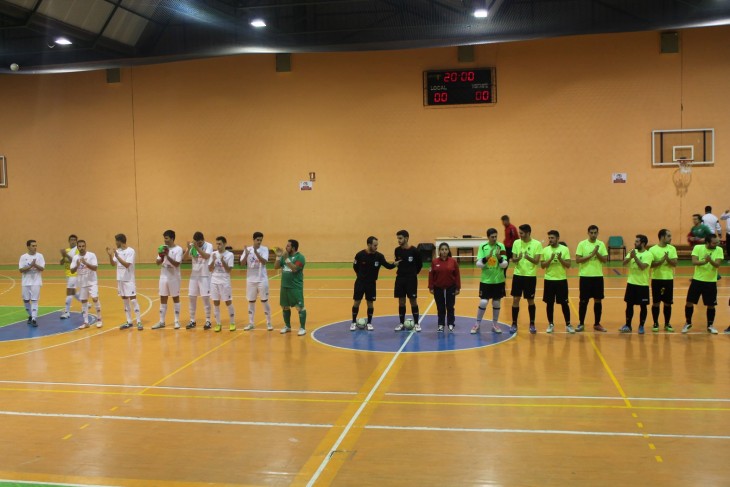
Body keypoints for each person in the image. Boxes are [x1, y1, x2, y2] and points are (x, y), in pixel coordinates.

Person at [350, 236, 397, 331]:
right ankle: (353, 322)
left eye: (377, 245)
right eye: (375, 245)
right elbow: (355, 267)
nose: (376, 247)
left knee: (370, 303)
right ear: (369, 244)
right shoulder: (360, 255)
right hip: (360, 282)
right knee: (357, 302)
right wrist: (361, 276)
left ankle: (369, 323)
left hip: (371, 283)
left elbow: (387, 266)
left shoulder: (379, 256)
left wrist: (395, 264)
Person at [682, 234, 724, 334]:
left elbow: (717, 265)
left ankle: (710, 325)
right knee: (689, 302)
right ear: (707, 242)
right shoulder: (698, 248)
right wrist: (705, 261)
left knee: (711, 305)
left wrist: (710, 260)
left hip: (711, 282)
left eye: (717, 242)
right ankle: (688, 323)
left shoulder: (719, 250)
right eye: (714, 243)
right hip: (697, 280)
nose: (716, 244)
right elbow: (694, 262)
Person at [471, 228, 508, 334]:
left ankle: (495, 324)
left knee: (496, 302)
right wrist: (486, 258)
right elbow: (478, 264)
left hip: (498, 280)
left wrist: (499, 257)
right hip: (486, 280)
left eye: (496, 236)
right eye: (492, 237)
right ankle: (477, 324)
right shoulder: (483, 247)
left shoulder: (501, 246)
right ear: (488, 237)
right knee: (483, 302)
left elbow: (504, 264)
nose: (494, 238)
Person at [574, 225, 608, 332]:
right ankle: (581, 323)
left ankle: (597, 324)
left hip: (597, 277)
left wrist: (597, 252)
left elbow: (605, 260)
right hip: (585, 277)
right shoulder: (582, 244)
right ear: (588, 233)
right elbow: (578, 260)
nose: (593, 235)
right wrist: (591, 255)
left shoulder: (601, 244)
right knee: (583, 301)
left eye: (595, 233)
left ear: (597, 233)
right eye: (591, 233)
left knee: (598, 300)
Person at [510, 224, 542, 334]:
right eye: (520, 233)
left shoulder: (537, 244)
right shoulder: (516, 243)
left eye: (522, 233)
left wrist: (528, 257)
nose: (520, 235)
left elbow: (536, 261)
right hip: (518, 275)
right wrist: (517, 258)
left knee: (530, 300)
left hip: (530, 276)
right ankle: (514, 323)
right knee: (515, 299)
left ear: (528, 233)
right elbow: (513, 259)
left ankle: (532, 323)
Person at [106, 233, 143, 330]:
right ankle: (129, 321)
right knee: (125, 301)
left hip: (129, 280)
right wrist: (110, 256)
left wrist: (117, 257)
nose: (115, 243)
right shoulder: (118, 251)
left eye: (116, 241)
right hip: (120, 279)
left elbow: (127, 265)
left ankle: (139, 322)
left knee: (133, 300)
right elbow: (113, 264)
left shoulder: (130, 251)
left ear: (120, 241)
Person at [619, 235, 654, 334]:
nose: (635, 243)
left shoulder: (648, 254)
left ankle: (641, 326)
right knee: (629, 305)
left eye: (637, 241)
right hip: (631, 283)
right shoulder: (632, 252)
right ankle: (628, 325)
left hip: (642, 285)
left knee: (643, 306)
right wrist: (630, 257)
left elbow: (643, 267)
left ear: (643, 243)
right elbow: (624, 263)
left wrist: (635, 257)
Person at [541, 230, 573, 334]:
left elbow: (568, 265)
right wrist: (550, 259)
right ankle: (550, 324)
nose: (550, 240)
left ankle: (568, 324)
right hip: (549, 280)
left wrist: (560, 259)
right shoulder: (545, 250)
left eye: (552, 238)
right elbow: (542, 266)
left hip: (561, 280)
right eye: (549, 238)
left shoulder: (564, 249)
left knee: (564, 303)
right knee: (549, 303)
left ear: (558, 238)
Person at [242, 232, 273, 331]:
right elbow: (242, 263)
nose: (259, 242)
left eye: (260, 240)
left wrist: (256, 253)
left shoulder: (264, 249)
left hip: (262, 280)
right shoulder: (248, 249)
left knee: (264, 301)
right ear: (253, 239)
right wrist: (246, 255)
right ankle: (251, 323)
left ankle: (269, 323)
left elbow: (264, 262)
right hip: (251, 280)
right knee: (251, 301)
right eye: (257, 240)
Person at [392, 230, 423, 332]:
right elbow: (397, 262)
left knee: (413, 301)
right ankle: (401, 323)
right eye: (398, 238)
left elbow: (420, 265)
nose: (399, 240)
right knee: (401, 301)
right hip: (400, 279)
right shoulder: (397, 250)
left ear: (406, 238)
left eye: (400, 238)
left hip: (411, 279)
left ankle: (417, 323)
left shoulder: (414, 251)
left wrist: (413, 273)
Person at [152, 230, 183, 330]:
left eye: (167, 238)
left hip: (174, 277)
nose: (165, 240)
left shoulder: (178, 249)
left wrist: (167, 256)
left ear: (172, 238)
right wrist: (161, 256)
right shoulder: (163, 248)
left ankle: (176, 321)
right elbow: (157, 263)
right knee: (163, 298)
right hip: (163, 276)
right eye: (164, 238)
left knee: (175, 298)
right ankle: (161, 322)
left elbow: (177, 264)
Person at [275, 239, 307, 335]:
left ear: (293, 248)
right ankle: (288, 326)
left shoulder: (300, 257)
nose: (286, 247)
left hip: (295, 287)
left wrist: (286, 259)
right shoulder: (285, 256)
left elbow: (294, 269)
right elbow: (276, 267)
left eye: (288, 246)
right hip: (284, 286)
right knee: (285, 307)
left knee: (300, 307)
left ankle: (302, 328)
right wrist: (278, 256)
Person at [648, 229, 678, 332]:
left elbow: (675, 263)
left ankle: (667, 323)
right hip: (656, 279)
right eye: (668, 236)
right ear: (662, 237)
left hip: (668, 279)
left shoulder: (672, 249)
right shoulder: (652, 249)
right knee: (656, 303)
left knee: (668, 303)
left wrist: (667, 259)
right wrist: (661, 261)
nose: (670, 238)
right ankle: (655, 323)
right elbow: (650, 265)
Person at [428, 242, 461, 332]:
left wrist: (458, 287)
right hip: (438, 288)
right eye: (442, 249)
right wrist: (431, 287)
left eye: (446, 249)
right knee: (440, 307)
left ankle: (451, 323)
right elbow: (431, 275)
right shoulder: (434, 262)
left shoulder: (453, 262)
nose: (444, 251)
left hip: (451, 287)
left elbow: (457, 275)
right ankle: (441, 324)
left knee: (450, 306)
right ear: (439, 251)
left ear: (448, 250)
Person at [70, 240, 103, 329]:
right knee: (84, 301)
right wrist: (77, 265)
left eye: (83, 246)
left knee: (95, 299)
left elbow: (95, 268)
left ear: (85, 246)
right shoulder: (75, 257)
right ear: (77, 247)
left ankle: (99, 319)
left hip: (92, 282)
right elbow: (72, 271)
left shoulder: (91, 255)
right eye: (79, 246)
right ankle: (86, 322)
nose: (81, 248)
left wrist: (86, 263)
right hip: (82, 282)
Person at [184, 231, 213, 330]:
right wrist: (188, 249)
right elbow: (184, 259)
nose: (199, 244)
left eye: (200, 242)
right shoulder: (192, 246)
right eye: (197, 242)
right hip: (194, 276)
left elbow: (206, 256)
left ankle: (208, 320)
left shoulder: (209, 245)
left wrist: (197, 248)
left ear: (203, 240)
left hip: (205, 275)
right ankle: (192, 320)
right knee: (191, 297)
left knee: (205, 298)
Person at [208, 236, 236, 332]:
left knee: (228, 302)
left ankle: (232, 323)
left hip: (224, 281)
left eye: (220, 244)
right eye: (217, 244)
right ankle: (218, 324)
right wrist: (213, 260)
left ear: (224, 244)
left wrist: (223, 261)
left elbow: (228, 270)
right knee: (216, 302)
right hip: (214, 281)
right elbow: (210, 269)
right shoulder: (213, 254)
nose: (218, 246)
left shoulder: (230, 255)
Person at [19, 240, 45, 327]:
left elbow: (42, 268)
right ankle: (30, 315)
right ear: (28, 247)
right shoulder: (23, 257)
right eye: (33, 246)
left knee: (34, 300)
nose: (35, 247)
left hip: (36, 282)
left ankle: (34, 319)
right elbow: (21, 270)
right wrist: (30, 266)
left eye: (35, 246)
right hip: (25, 282)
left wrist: (35, 265)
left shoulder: (40, 256)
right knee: (26, 300)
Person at [59, 234, 80, 319]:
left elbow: (74, 261)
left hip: (74, 274)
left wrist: (66, 255)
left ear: (76, 241)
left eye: (74, 240)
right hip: (67, 274)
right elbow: (61, 263)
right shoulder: (67, 250)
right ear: (69, 241)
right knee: (73, 292)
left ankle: (67, 312)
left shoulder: (77, 250)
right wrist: (63, 256)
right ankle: (85, 303)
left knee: (69, 292)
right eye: (71, 240)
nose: (73, 241)